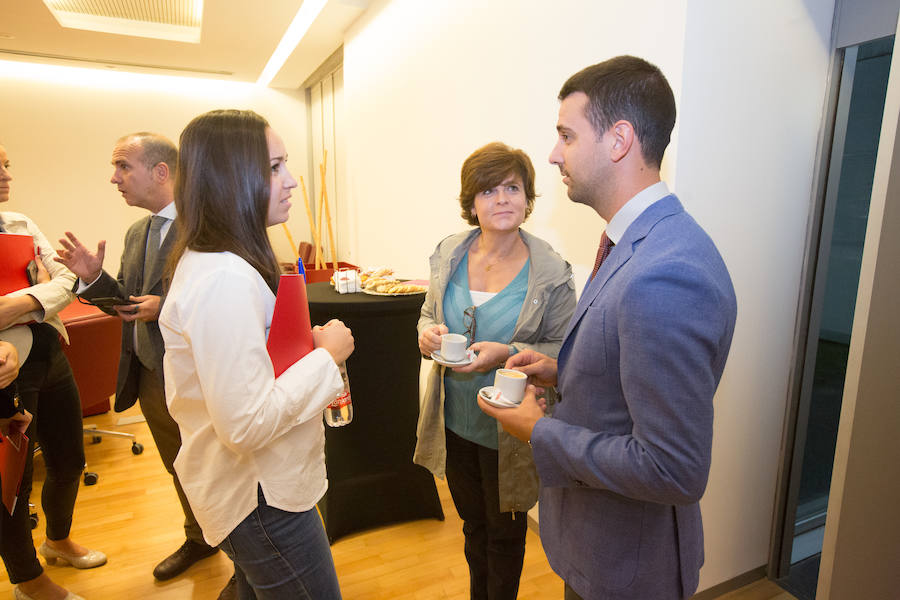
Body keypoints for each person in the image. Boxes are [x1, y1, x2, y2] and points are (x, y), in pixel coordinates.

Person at [478, 56, 738, 600]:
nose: (553, 155)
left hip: (628, 568)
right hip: (604, 552)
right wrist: (560, 369)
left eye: (567, 136)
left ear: (619, 140)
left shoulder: (664, 273)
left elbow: (673, 467)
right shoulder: (638, 240)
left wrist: (537, 430)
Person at [159, 109, 354, 599]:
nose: (290, 182)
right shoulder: (222, 279)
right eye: (274, 168)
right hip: (261, 498)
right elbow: (244, 424)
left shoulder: (225, 266)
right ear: (231, 178)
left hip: (259, 492)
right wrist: (326, 357)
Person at [55, 133, 229, 590]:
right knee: (179, 464)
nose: (114, 179)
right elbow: (128, 302)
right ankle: (200, 538)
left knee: (219, 466)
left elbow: (225, 297)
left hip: (202, 375)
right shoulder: (138, 232)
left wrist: (163, 306)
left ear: (161, 172)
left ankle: (245, 557)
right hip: (152, 371)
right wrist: (94, 279)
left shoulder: (209, 227)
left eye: (122, 167)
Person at [416, 142, 576, 600]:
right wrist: (426, 335)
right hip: (455, 422)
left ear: (528, 200)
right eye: (488, 190)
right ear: (471, 203)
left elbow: (569, 352)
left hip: (512, 430)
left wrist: (508, 350)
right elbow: (428, 316)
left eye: (513, 187)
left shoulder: (551, 273)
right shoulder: (449, 253)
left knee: (505, 537)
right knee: (472, 526)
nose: (502, 198)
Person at [1, 143, 104, 600]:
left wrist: (26, 301)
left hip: (49, 351)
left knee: (69, 459)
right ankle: (28, 580)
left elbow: (67, 278)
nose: (6, 175)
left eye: (7, 163)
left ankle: (57, 540)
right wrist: (37, 290)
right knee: (13, 483)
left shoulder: (20, 223)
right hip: (6, 368)